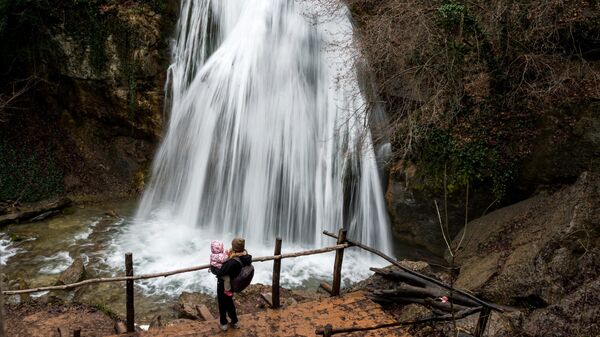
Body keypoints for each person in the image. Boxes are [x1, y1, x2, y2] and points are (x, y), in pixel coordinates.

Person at [211, 237, 252, 331]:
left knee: (222, 303)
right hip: (234, 283)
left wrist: (212, 267)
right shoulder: (246, 256)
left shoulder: (233, 262)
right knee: (229, 301)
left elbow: (220, 271)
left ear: (234, 247)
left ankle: (224, 323)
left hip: (224, 284)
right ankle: (234, 321)